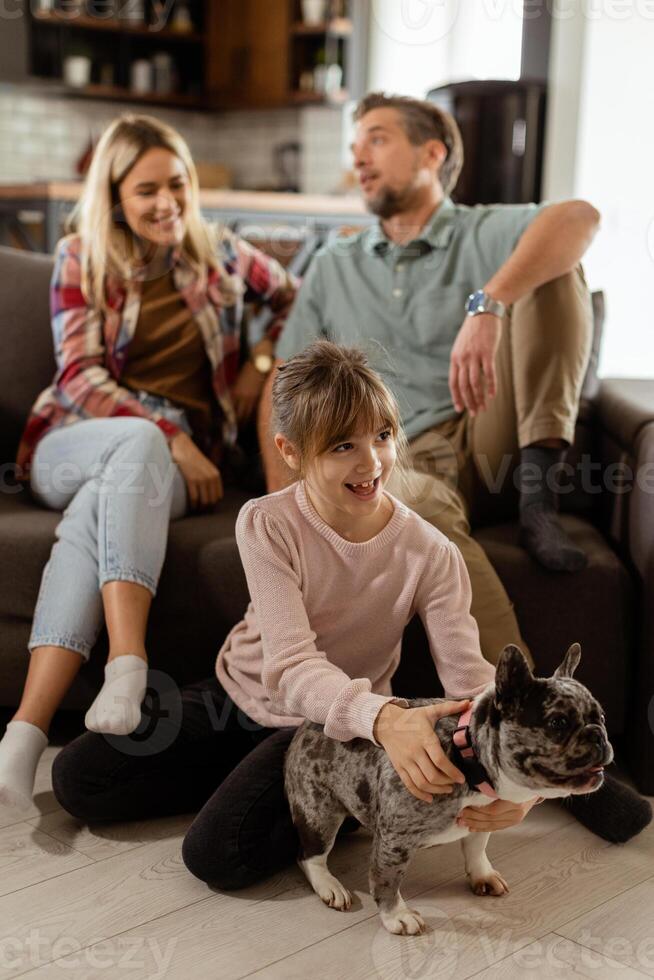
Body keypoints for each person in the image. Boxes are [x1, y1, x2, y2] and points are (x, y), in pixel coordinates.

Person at [259, 93, 650, 843]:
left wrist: (489, 302)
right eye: (356, 144)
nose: (359, 157)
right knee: (416, 512)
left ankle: (538, 495)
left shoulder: (480, 230)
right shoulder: (337, 261)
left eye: (376, 139)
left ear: (433, 152)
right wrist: (290, 496)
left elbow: (581, 217)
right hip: (401, 458)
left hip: (489, 430)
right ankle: (541, 747)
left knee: (557, 268)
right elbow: (287, 385)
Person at [50, 341, 543, 890]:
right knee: (77, 779)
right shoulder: (265, 523)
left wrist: (522, 791)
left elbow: (470, 681)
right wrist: (386, 719)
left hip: (332, 729)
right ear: (290, 451)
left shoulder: (431, 553)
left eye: (382, 435)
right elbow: (288, 666)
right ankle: (282, 789)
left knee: (216, 857)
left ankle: (338, 797)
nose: (372, 461)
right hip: (240, 695)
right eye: (341, 446)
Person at [0, 113, 296, 812]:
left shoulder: (220, 254)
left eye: (178, 183)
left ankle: (22, 733)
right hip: (74, 444)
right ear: (115, 197)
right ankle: (126, 662)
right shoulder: (83, 257)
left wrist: (260, 361)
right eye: (146, 190)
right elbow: (79, 378)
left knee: (97, 513)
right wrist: (170, 433)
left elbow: (291, 293)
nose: (167, 202)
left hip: (167, 475)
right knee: (132, 447)